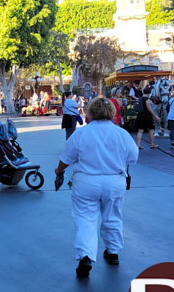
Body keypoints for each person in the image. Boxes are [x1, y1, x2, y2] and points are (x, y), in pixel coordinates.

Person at [54, 97, 139, 277]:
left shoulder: (81, 134)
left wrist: (58, 171)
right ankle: (113, 252)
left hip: (87, 182)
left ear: (90, 112)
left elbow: (66, 158)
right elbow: (133, 158)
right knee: (113, 216)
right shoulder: (122, 134)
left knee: (85, 219)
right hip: (115, 182)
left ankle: (85, 255)